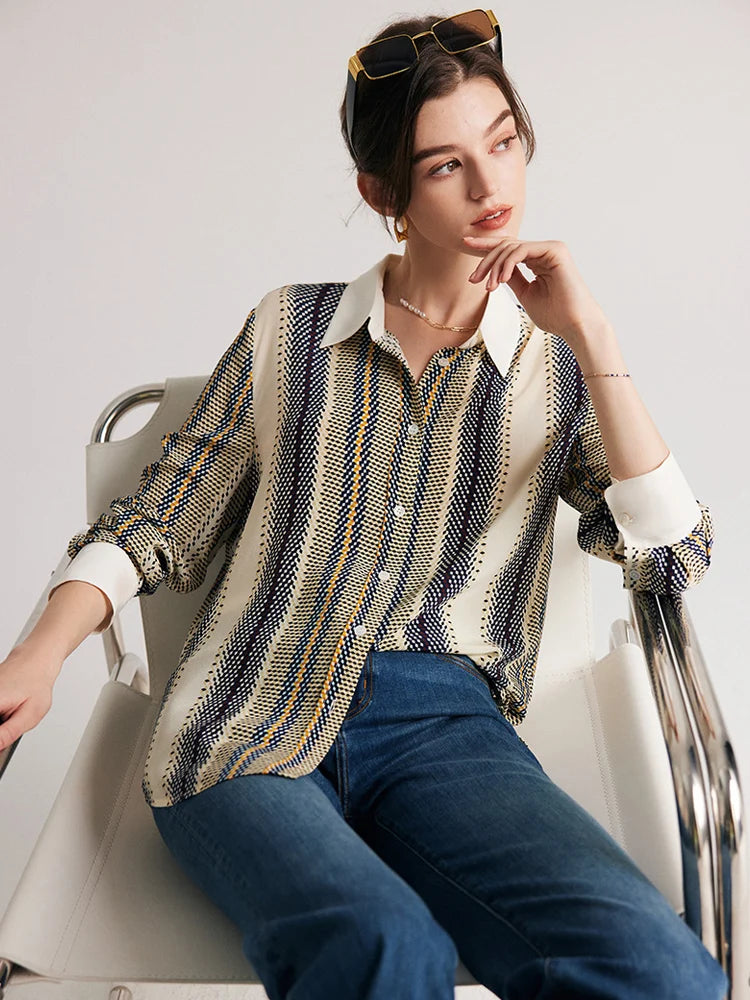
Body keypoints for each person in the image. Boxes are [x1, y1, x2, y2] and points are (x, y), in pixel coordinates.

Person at [0, 9, 729, 1000]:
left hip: (448, 730)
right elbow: (161, 511)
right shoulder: (290, 330)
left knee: (660, 970)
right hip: (246, 714)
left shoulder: (554, 365)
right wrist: (39, 654)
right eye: (444, 166)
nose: (490, 186)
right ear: (382, 193)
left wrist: (596, 337)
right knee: (387, 948)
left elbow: (674, 557)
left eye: (503, 142)